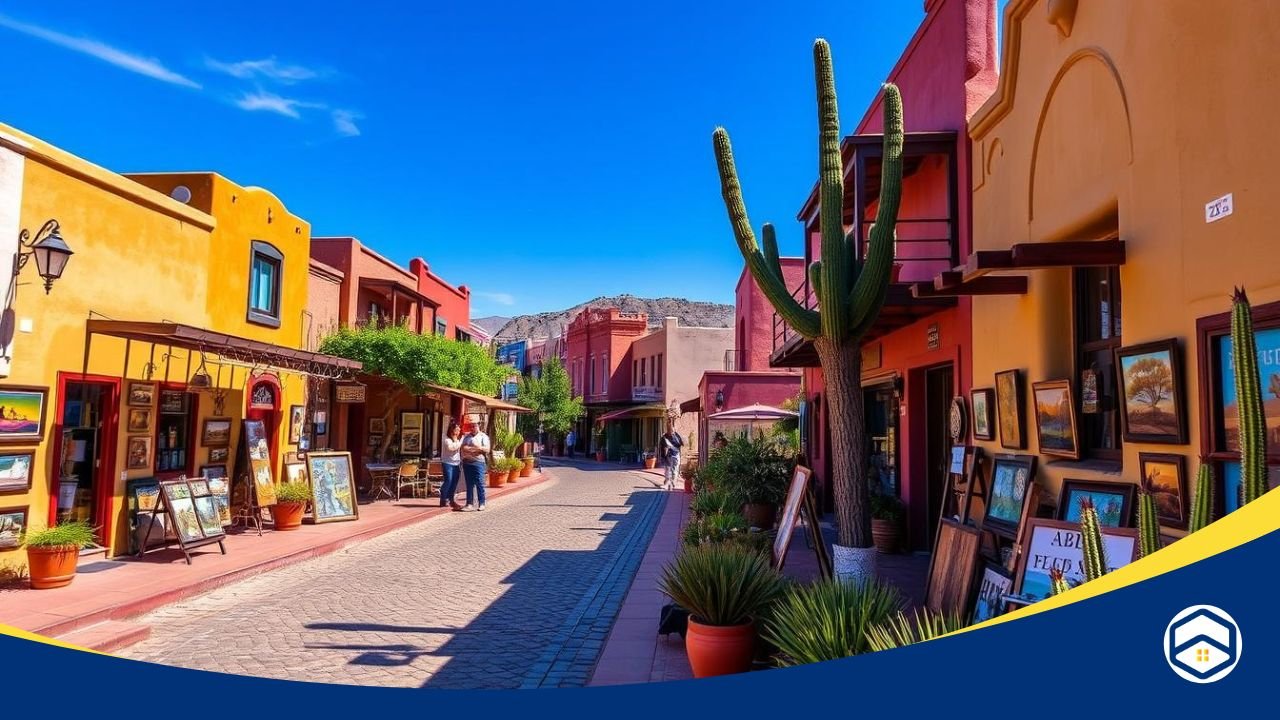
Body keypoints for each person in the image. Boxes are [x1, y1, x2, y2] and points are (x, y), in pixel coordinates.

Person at [460, 413, 491, 511]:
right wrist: (475, 449)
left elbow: (486, 449)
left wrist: (476, 448)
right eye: (471, 426)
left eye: (475, 426)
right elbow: (463, 448)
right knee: (469, 484)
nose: (473, 428)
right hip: (467, 462)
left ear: (478, 426)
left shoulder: (483, 436)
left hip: (478, 463)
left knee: (480, 483)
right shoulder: (467, 437)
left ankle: (482, 503)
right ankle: (469, 504)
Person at [440, 420, 464, 511]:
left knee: (454, 482)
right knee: (448, 480)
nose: (458, 432)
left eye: (459, 430)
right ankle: (443, 498)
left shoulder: (457, 439)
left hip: (456, 463)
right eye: (457, 430)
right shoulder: (446, 439)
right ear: (452, 430)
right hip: (448, 463)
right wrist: (461, 441)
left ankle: (451, 499)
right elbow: (452, 448)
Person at [660, 424, 684, 491]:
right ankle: (667, 483)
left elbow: (682, 443)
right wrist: (664, 456)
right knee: (668, 470)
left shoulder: (676, 436)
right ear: (668, 430)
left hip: (676, 455)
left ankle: (673, 483)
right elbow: (663, 447)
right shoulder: (664, 437)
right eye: (670, 430)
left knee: (674, 470)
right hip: (669, 456)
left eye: (673, 430)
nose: (672, 432)